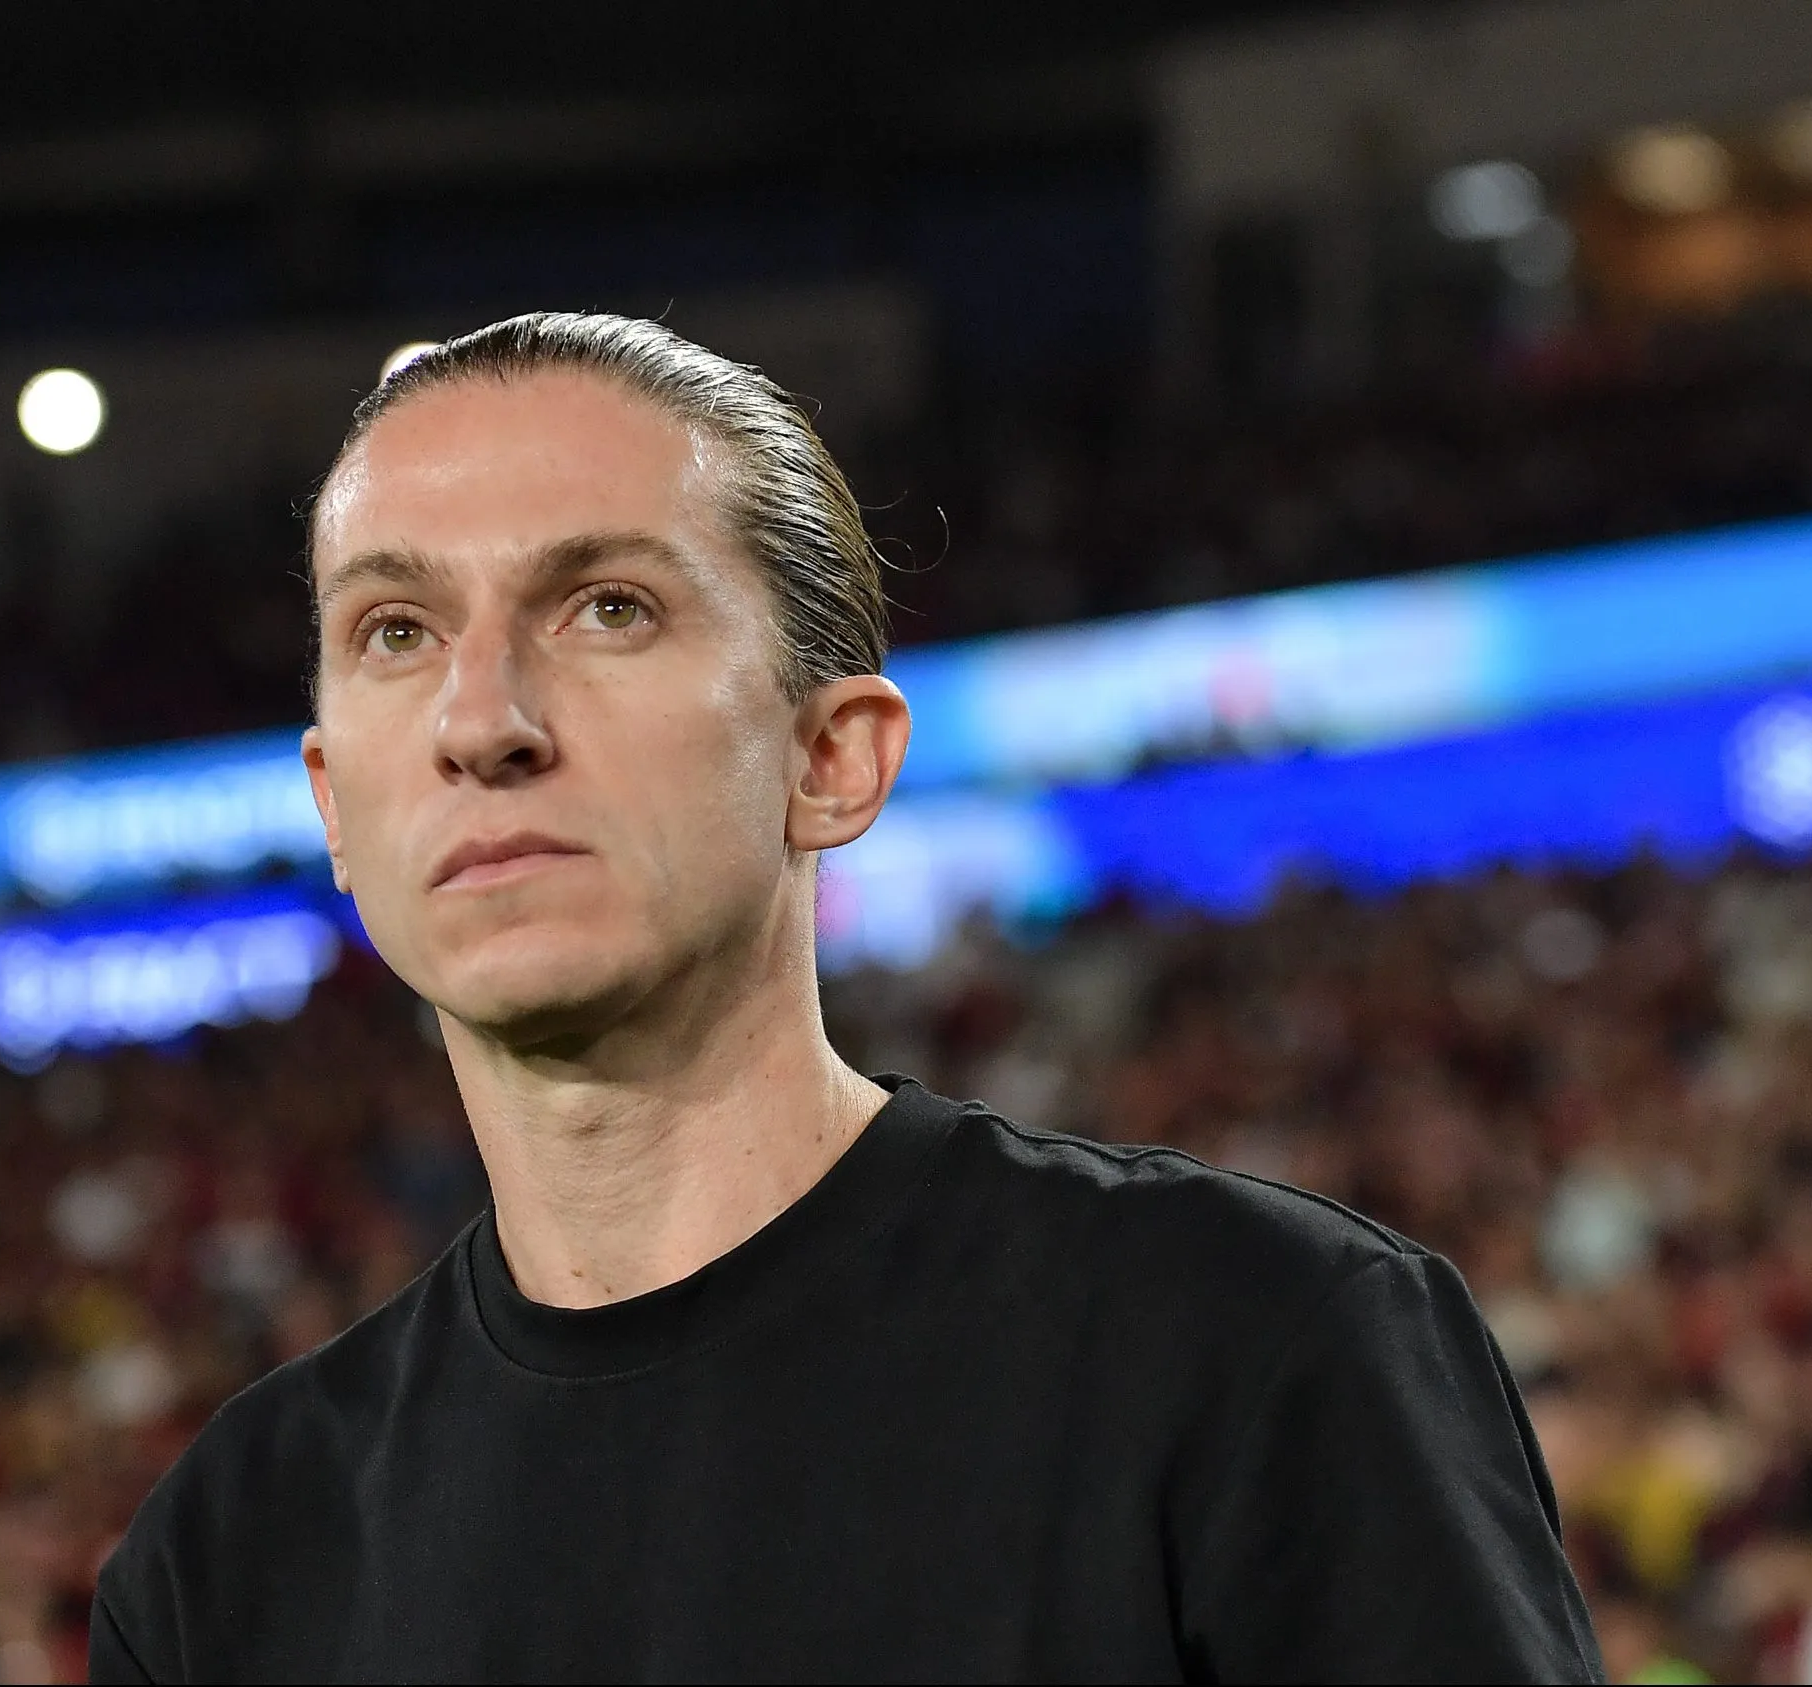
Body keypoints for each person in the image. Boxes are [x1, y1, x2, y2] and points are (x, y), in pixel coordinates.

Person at [88, 313, 1603, 1682]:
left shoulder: (1254, 1348)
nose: (481, 720)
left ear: (832, 757)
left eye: (607, 607)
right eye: (396, 632)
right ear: (332, 804)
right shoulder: (227, 1563)